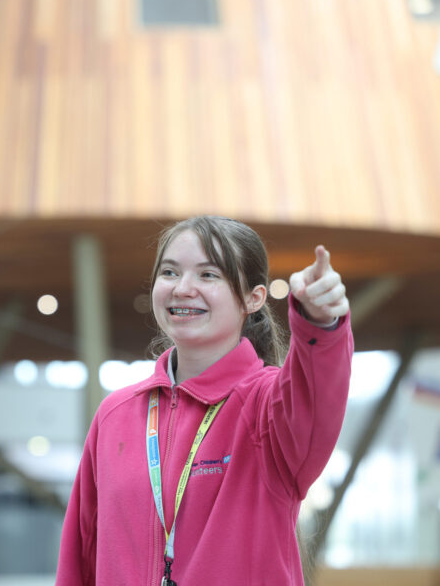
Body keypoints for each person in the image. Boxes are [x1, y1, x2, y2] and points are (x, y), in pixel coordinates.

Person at [56, 215, 353, 585]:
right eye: (169, 272)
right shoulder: (115, 414)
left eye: (208, 275)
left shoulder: (268, 408)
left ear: (253, 298)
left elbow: (316, 394)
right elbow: (79, 559)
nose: (182, 288)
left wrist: (320, 323)